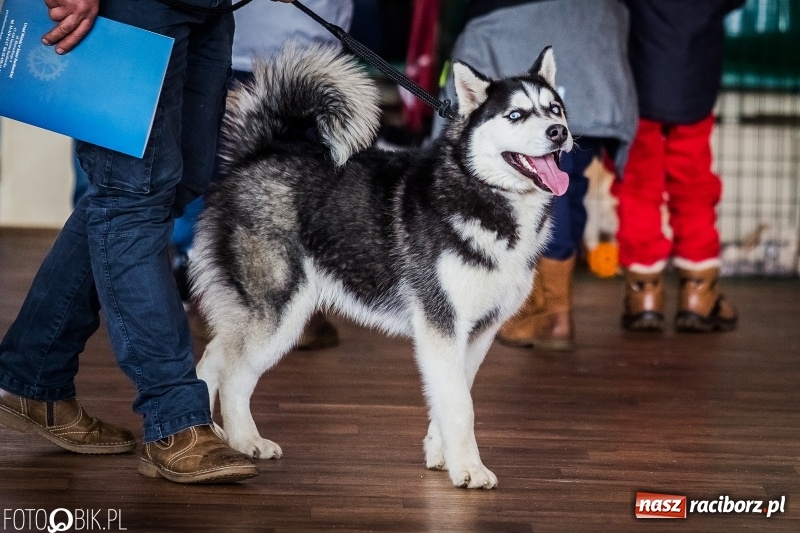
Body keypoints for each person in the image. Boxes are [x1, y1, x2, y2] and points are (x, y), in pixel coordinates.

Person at [0, 0, 294, 485]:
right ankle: (176, 420)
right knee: (131, 197)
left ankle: (34, 374)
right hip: (135, 9)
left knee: (175, 186)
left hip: (210, 9)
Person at [432, 0, 638, 350]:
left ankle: (548, 313)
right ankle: (552, 309)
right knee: (567, 182)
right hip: (596, 32)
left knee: (543, 183)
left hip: (508, 25)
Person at [170, 0, 353, 349]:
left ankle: (297, 301)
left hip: (306, 46)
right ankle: (215, 293)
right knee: (222, 186)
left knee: (298, 192)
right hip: (238, 46)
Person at [612, 0, 744, 333]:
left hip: (638, 75)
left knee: (637, 182)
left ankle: (644, 295)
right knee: (694, 179)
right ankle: (698, 293)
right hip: (695, 76)